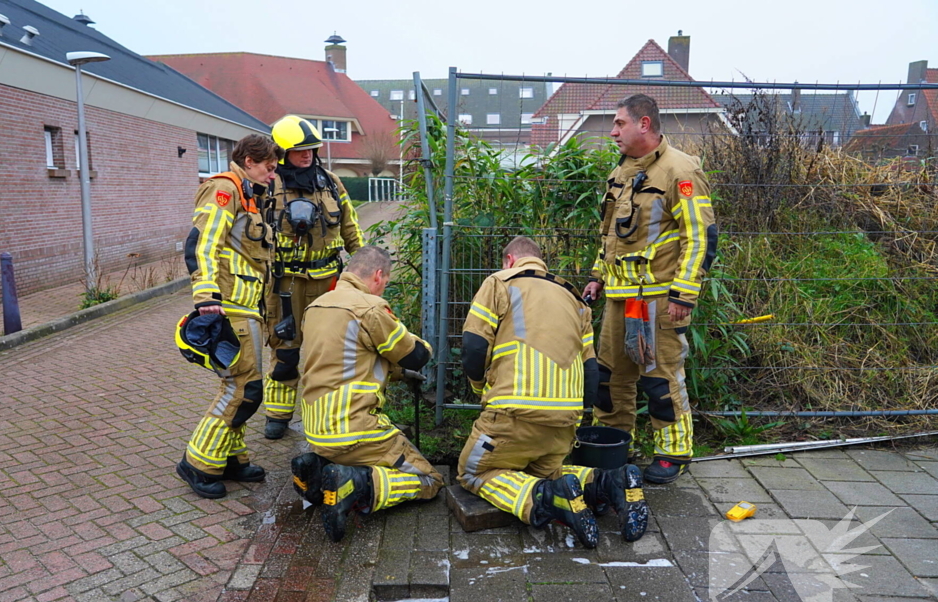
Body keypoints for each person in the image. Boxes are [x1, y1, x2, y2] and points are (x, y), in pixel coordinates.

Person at [456, 237, 649, 547]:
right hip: (563, 424)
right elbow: (591, 372)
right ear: (541, 261)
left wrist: (480, 388)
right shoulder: (576, 300)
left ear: (509, 260)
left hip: (511, 415)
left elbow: (474, 347)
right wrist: (575, 414)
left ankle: (548, 500)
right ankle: (609, 482)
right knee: (548, 470)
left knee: (472, 472)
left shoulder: (499, 283)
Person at [581, 94, 718, 485]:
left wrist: (684, 294)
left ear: (644, 124)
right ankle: (615, 444)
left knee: (660, 378)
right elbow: (610, 235)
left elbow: (701, 236)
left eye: (619, 123)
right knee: (610, 378)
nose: (612, 131)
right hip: (619, 298)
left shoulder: (680, 170)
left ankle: (673, 454)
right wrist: (596, 276)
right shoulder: (621, 172)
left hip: (660, 298)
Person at [289, 246, 441, 542]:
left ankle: (317, 469)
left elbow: (352, 359)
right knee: (429, 480)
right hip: (354, 428)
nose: (384, 287)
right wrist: (420, 346)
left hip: (317, 430)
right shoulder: (370, 308)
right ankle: (356, 484)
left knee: (353, 454)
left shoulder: (317, 306)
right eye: (385, 281)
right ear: (378, 275)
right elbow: (415, 356)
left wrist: (396, 372)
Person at [176, 134, 284, 499]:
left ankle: (231, 458)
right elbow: (203, 242)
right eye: (269, 167)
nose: (273, 175)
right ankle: (198, 462)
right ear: (250, 160)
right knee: (242, 387)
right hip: (231, 305)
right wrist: (206, 294)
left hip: (248, 306)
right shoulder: (224, 189)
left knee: (247, 385)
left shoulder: (251, 197)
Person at [263, 115, 365, 440]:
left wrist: (361, 266)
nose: (307, 155)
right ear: (282, 152)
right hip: (285, 283)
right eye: (300, 150)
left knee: (330, 348)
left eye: (311, 149)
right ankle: (278, 415)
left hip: (328, 279)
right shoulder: (267, 186)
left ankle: (327, 414)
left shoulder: (331, 181)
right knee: (285, 347)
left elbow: (350, 225)